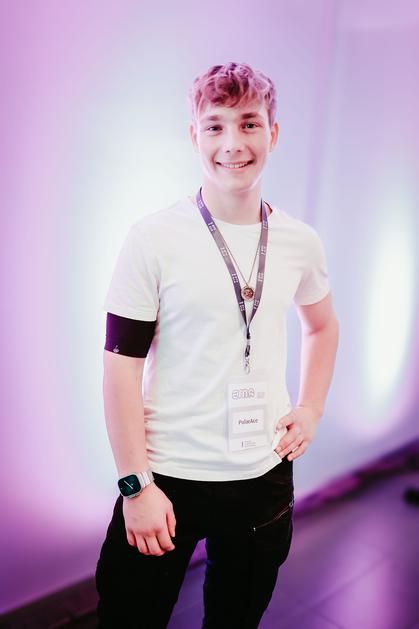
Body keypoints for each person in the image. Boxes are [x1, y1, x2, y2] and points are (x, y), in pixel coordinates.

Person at [95, 61, 339, 629]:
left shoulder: (300, 241)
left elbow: (323, 326)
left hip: (262, 476)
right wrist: (136, 485)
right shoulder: (153, 238)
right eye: (215, 126)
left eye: (249, 123)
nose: (233, 143)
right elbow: (120, 367)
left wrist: (311, 408)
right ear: (194, 135)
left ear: (273, 132)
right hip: (166, 477)